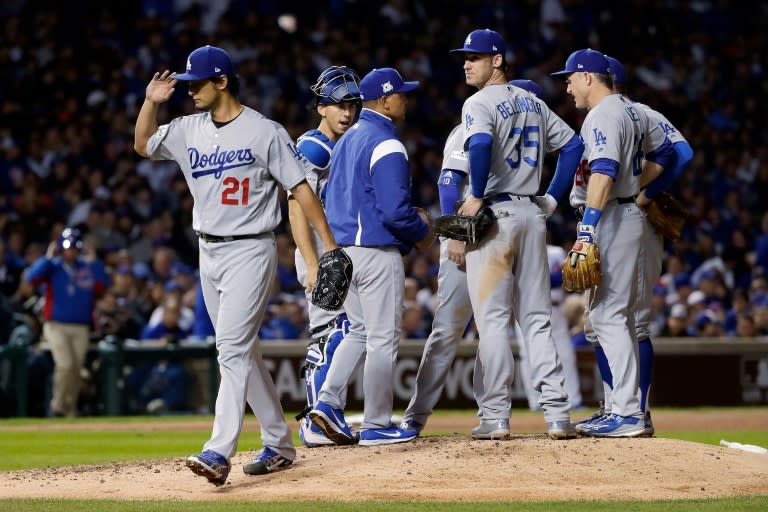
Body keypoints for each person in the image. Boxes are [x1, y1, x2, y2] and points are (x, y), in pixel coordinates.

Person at [133, 45, 340, 485]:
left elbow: (302, 189)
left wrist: (328, 246)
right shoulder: (189, 128)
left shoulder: (264, 131)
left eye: (198, 84)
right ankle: (280, 443)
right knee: (243, 350)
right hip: (208, 251)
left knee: (229, 348)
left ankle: (219, 449)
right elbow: (143, 144)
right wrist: (151, 102)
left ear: (222, 81)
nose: (190, 92)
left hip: (251, 248)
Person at [450, 30, 584, 440]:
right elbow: (574, 146)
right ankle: (558, 414)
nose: (467, 63)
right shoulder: (533, 101)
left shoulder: (478, 102)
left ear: (498, 60)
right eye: (466, 56)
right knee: (537, 319)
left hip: (494, 216)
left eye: (476, 56)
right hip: (530, 214)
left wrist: (474, 195)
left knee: (491, 321)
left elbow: (481, 143)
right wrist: (552, 199)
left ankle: (496, 416)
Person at [551, 49, 676, 437]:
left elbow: (603, 170)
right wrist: (643, 189)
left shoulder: (604, 113)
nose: (567, 86)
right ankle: (621, 410)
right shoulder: (632, 110)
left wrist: (588, 227)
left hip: (613, 217)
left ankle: (627, 413)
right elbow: (672, 151)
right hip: (621, 212)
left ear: (589, 77)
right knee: (609, 316)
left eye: (570, 77)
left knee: (609, 315)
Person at [308, 67, 431, 447]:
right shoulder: (386, 142)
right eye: (401, 94)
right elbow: (396, 211)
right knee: (382, 338)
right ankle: (377, 422)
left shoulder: (347, 138)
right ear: (385, 100)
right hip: (374, 252)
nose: (405, 100)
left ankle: (327, 402)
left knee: (359, 331)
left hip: (342, 252)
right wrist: (423, 234)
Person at [288, 66, 366, 448]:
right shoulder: (313, 146)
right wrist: (312, 262)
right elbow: (295, 208)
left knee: (348, 332)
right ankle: (315, 422)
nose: (346, 112)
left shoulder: (344, 144)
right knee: (329, 336)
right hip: (319, 253)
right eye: (338, 105)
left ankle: (327, 416)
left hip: (337, 251)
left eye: (352, 104)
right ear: (321, 106)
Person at [24, 228, 109, 417]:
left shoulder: (86, 268)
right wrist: (47, 257)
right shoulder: (53, 267)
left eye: (74, 248)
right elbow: (32, 278)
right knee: (65, 365)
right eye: (67, 247)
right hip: (56, 325)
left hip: (81, 325)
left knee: (76, 368)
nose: (71, 252)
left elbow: (103, 285)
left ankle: (70, 409)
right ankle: (58, 406)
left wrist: (94, 261)